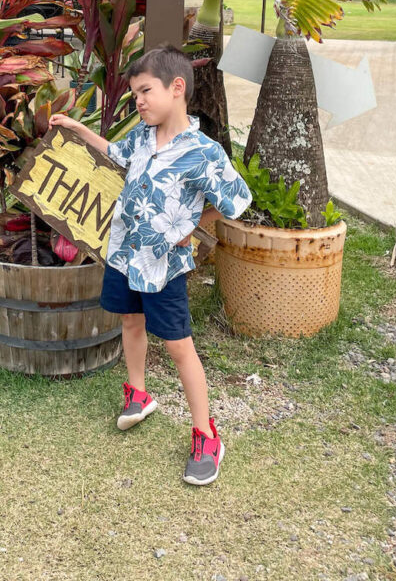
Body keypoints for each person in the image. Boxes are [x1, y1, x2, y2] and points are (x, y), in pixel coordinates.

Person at [49, 44, 251, 485]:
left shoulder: (203, 152)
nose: (137, 101)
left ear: (176, 88)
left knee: (179, 347)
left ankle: (206, 435)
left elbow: (236, 201)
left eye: (144, 91)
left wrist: (194, 222)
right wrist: (77, 129)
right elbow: (115, 154)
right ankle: (139, 394)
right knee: (130, 324)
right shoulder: (142, 136)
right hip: (124, 254)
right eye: (135, 94)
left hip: (163, 266)